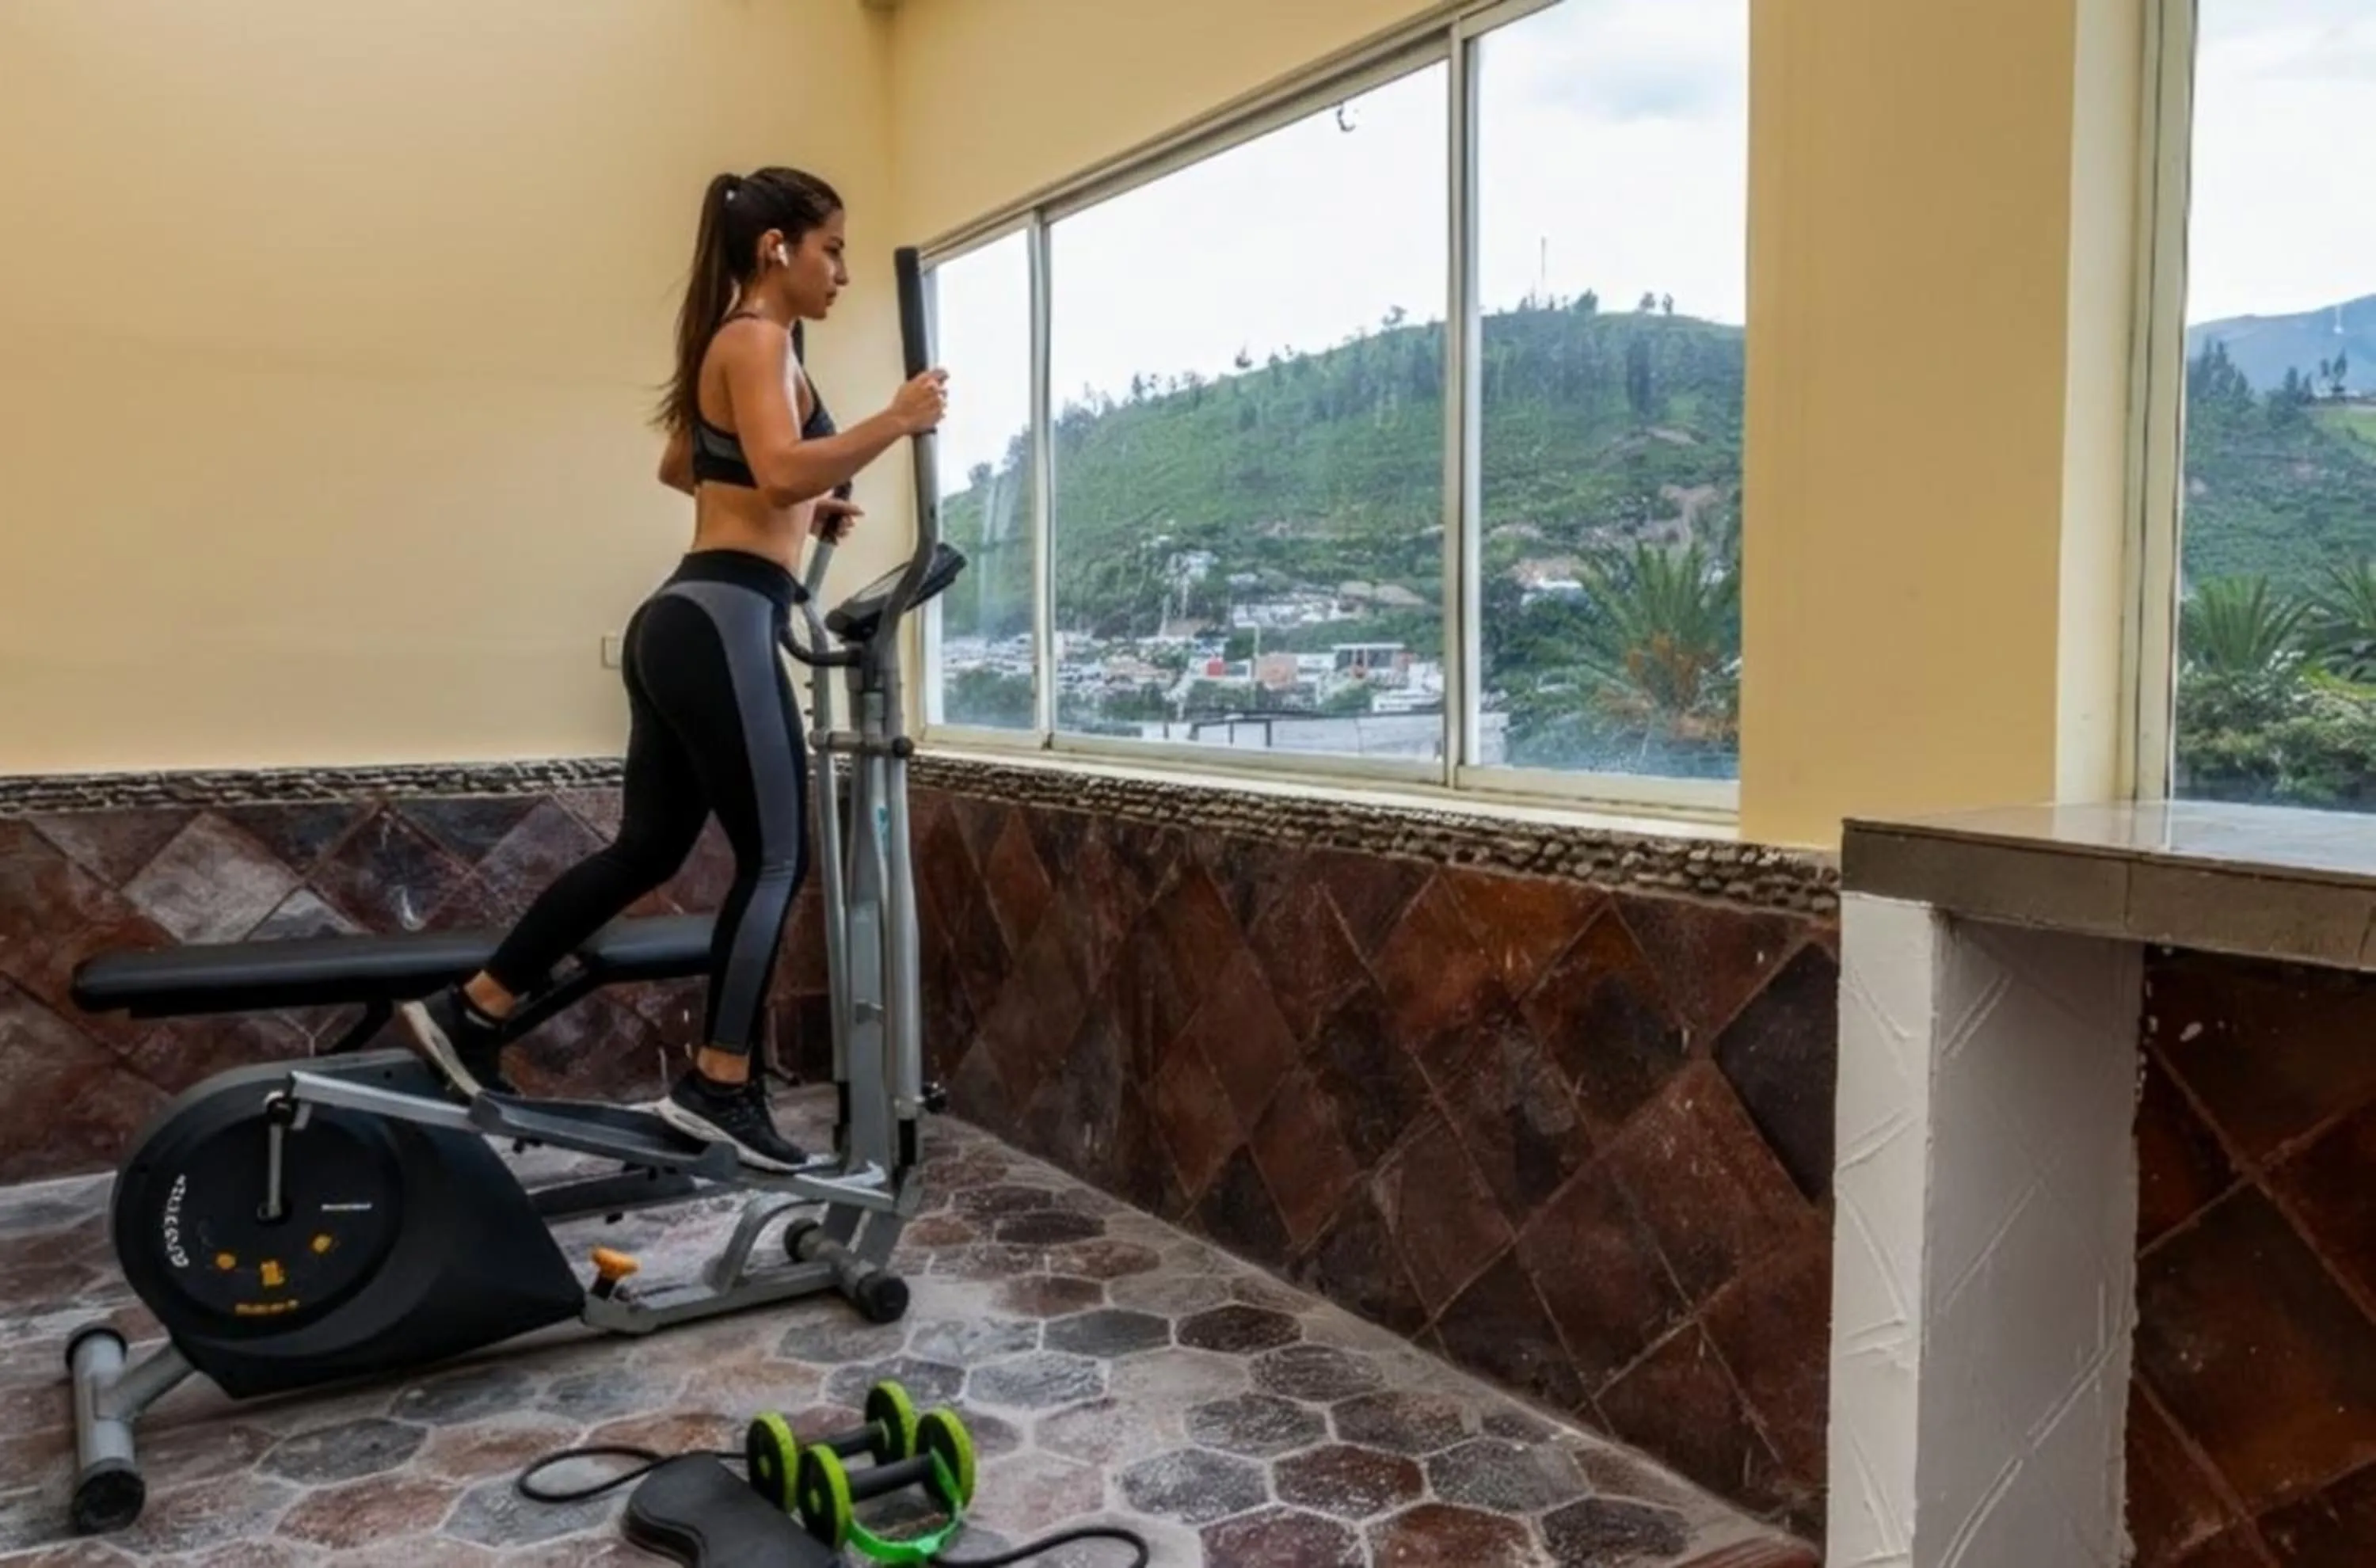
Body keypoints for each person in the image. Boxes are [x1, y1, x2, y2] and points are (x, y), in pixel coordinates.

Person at [398, 166, 948, 1170]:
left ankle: (471, 1010)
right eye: (832, 250)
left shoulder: (739, 343)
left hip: (686, 618)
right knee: (776, 861)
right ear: (778, 247)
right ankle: (720, 1086)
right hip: (722, 617)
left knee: (647, 850)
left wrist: (806, 505)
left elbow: (687, 467)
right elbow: (775, 468)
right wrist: (894, 421)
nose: (842, 273)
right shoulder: (757, 339)